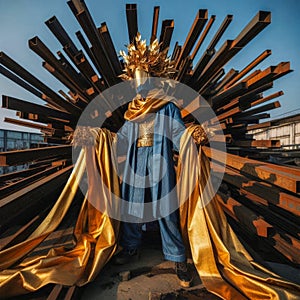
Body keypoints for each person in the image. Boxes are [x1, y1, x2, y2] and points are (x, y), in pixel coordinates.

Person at [112, 37, 197, 287]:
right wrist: (96, 138)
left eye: (143, 75)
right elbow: (121, 138)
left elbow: (180, 134)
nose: (139, 82)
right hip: (136, 161)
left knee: (166, 207)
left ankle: (178, 257)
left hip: (160, 161)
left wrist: (194, 138)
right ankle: (130, 247)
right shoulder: (133, 110)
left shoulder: (168, 107)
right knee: (132, 205)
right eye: (135, 76)